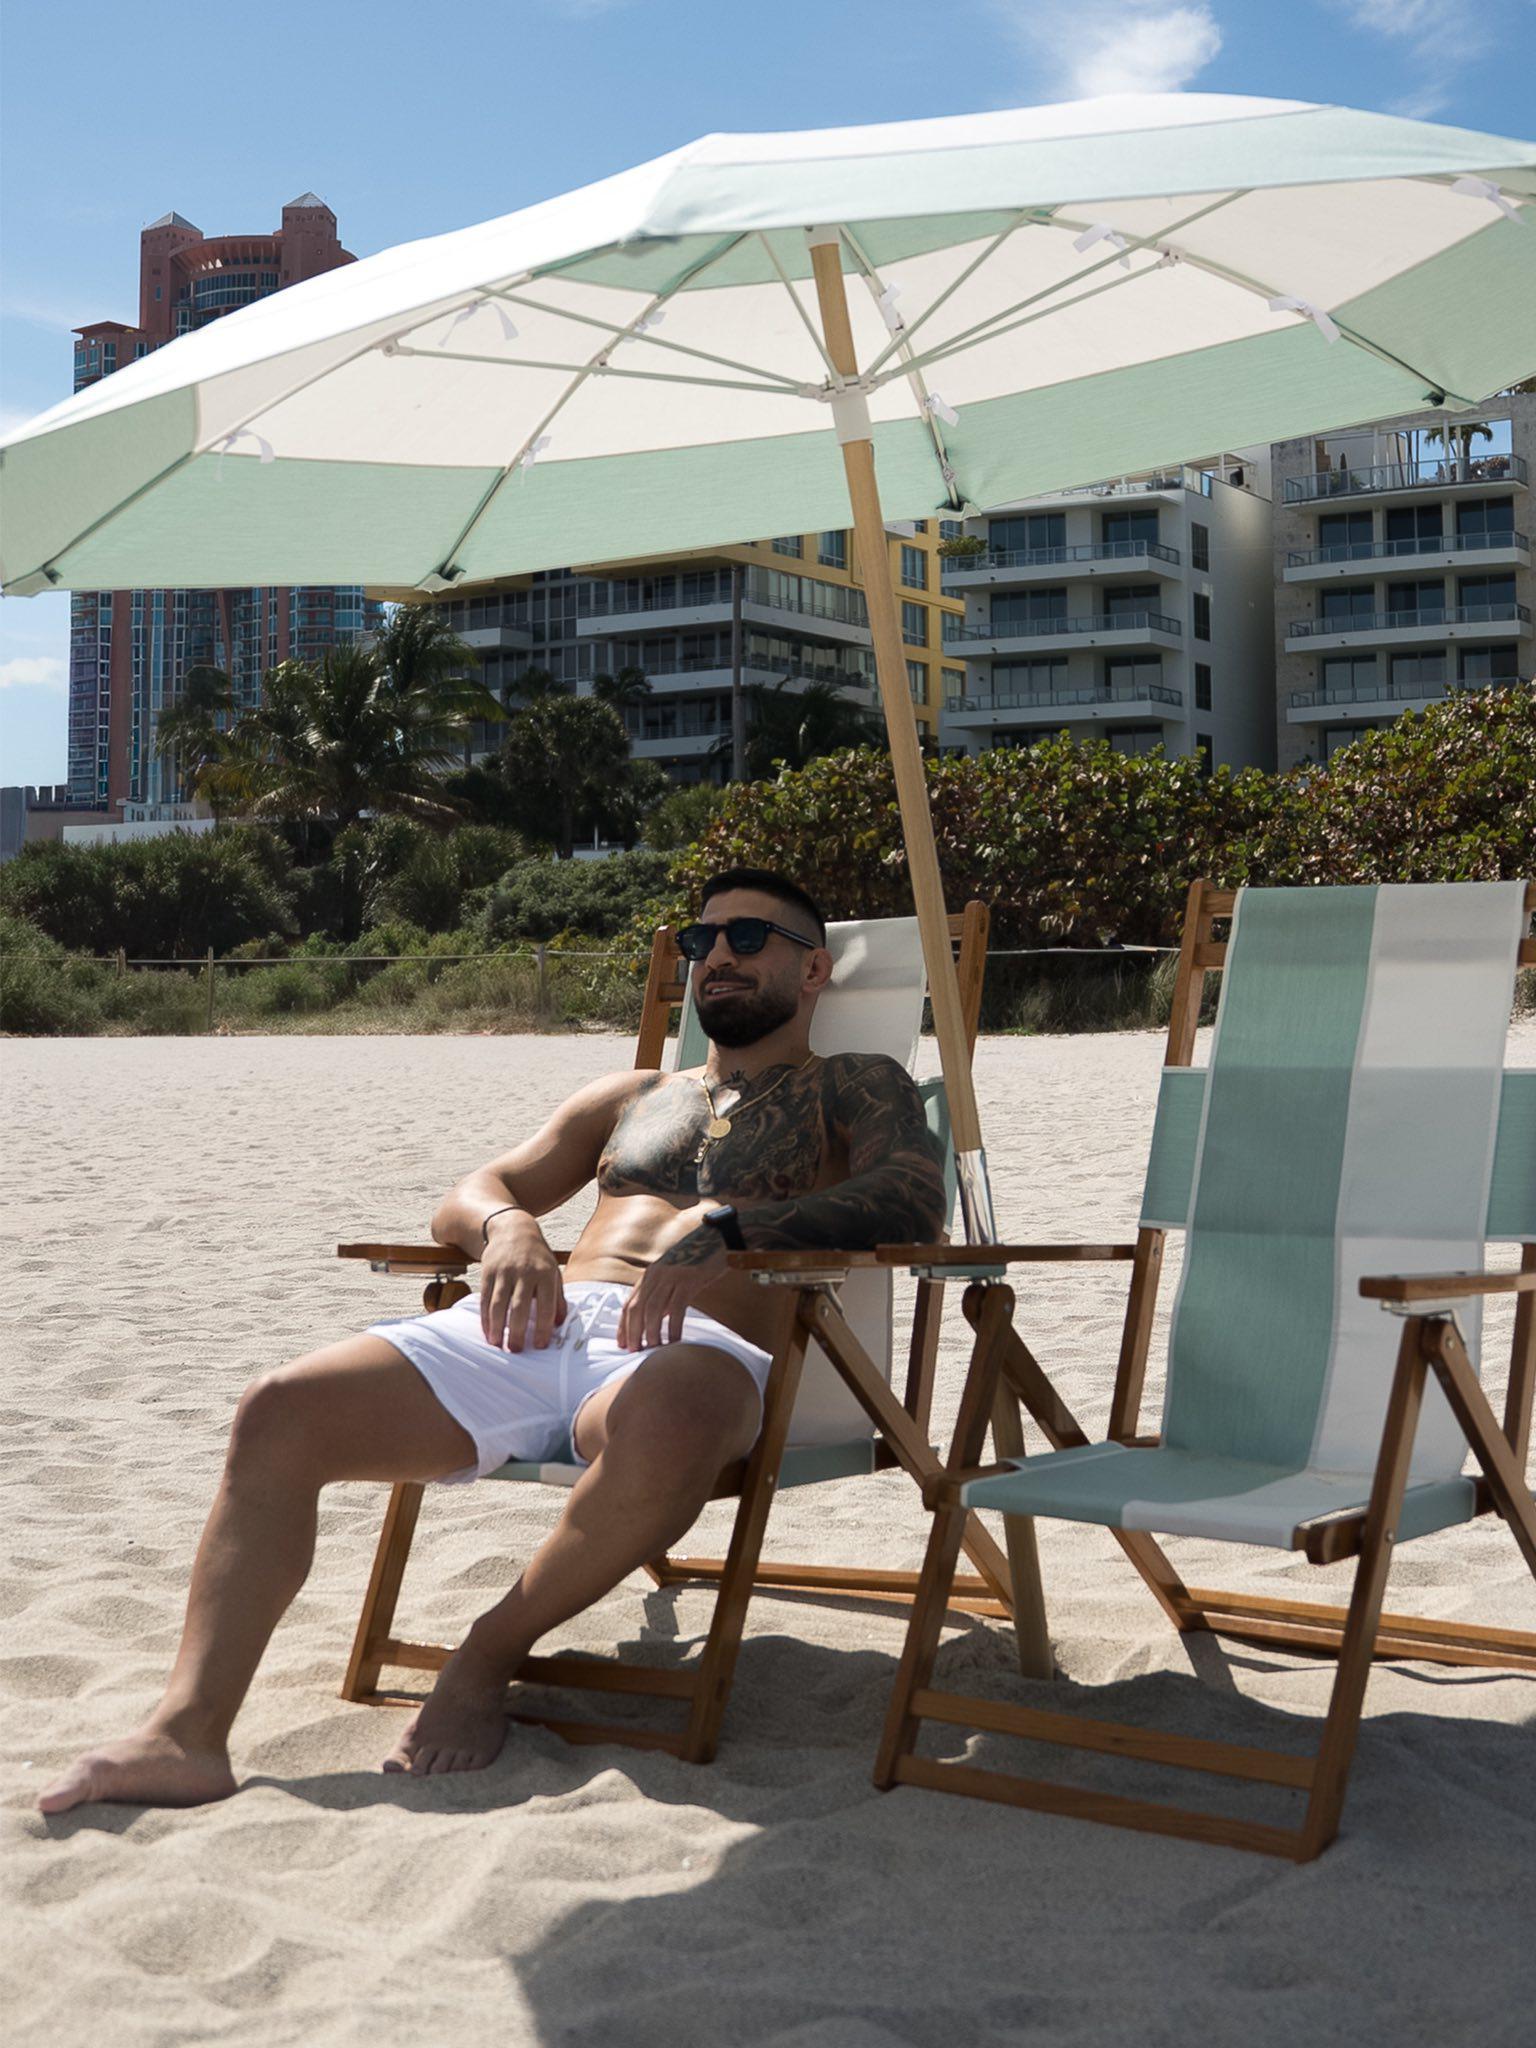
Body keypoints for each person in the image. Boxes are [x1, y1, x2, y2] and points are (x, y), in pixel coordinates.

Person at [40, 869, 946, 1812]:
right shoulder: (634, 1094)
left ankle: (487, 1653)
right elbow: (475, 1191)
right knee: (280, 1409)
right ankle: (184, 1735)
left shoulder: (851, 1083)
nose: (717, 955)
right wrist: (508, 1228)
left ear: (813, 971)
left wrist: (735, 1229)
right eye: (700, 940)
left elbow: (913, 1198)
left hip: (687, 1346)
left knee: (676, 1412)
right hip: (533, 1327)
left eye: (748, 938)